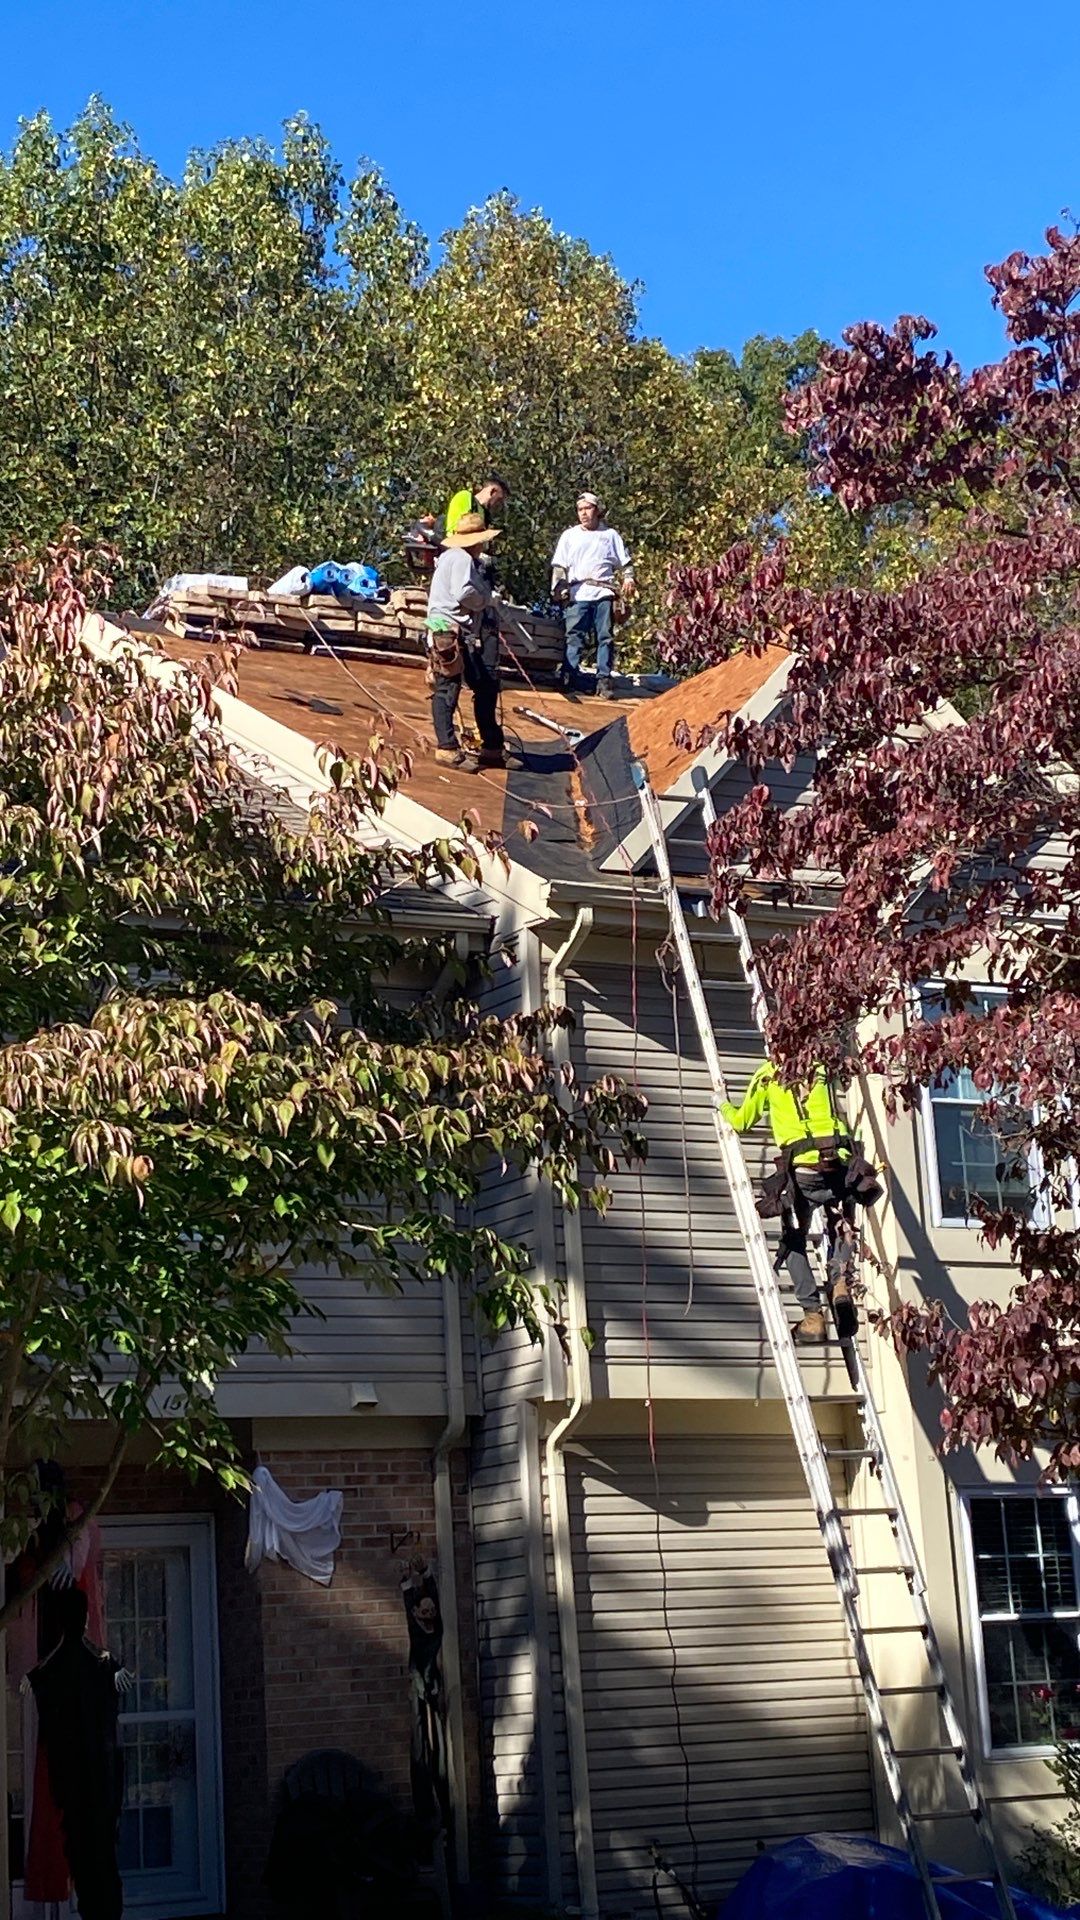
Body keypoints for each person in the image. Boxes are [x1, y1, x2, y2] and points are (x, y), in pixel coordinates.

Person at [720, 1062, 860, 1345]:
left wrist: (721, 1104)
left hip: (804, 1170)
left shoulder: (768, 1073)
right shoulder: (820, 1066)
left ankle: (813, 1316)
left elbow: (741, 1122)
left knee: (794, 1238)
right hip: (839, 1161)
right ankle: (840, 1283)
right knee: (840, 1225)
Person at [425, 512, 506, 772]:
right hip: (447, 630)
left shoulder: (451, 557)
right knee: (447, 687)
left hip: (451, 629)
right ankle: (447, 748)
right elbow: (463, 592)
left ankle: (492, 747)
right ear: (475, 541)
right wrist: (486, 601)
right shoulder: (460, 558)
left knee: (483, 682)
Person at [551, 492, 635, 698]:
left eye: (588, 508)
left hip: (603, 592)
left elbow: (625, 562)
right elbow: (560, 565)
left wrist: (629, 578)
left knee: (605, 637)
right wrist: (559, 587)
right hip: (578, 593)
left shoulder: (610, 535)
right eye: (580, 509)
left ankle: (604, 680)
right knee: (574, 636)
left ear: (597, 510)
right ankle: (569, 676)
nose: (584, 513)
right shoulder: (570, 535)